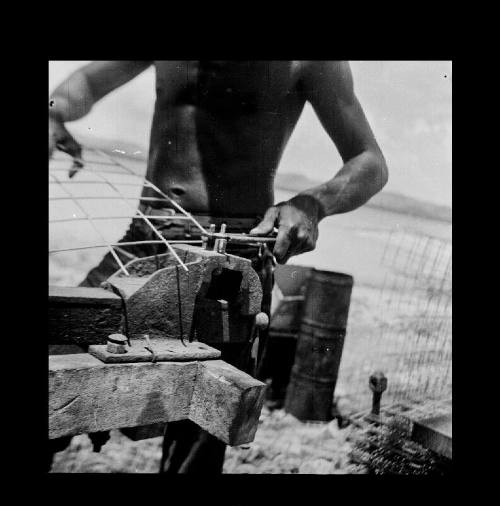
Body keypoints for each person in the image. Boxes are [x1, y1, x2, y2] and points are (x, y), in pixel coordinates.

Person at [50, 61, 388, 472]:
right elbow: (87, 80)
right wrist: (55, 111)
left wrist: (313, 204)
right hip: (146, 237)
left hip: (235, 258)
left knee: (199, 434)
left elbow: (370, 161)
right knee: (58, 355)